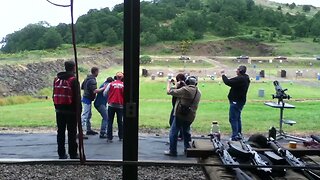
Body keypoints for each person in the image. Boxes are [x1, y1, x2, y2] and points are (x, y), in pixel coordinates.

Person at [164, 75, 201, 156]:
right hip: (190, 116)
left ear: (187, 82)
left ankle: (172, 151)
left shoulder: (185, 89)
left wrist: (169, 83)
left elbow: (169, 91)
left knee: (173, 132)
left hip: (180, 115)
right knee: (186, 132)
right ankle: (187, 149)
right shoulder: (198, 92)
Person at [52, 60, 80, 159]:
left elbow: (53, 95)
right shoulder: (73, 80)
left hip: (59, 110)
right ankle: (73, 153)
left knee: (60, 132)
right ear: (74, 67)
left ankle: (61, 153)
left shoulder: (56, 79)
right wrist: (78, 111)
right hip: (71, 110)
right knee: (72, 132)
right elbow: (77, 97)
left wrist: (57, 107)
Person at [221, 65, 250, 141]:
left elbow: (227, 82)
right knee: (237, 118)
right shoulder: (245, 78)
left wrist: (223, 74)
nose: (236, 71)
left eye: (237, 70)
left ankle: (235, 136)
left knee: (233, 118)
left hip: (236, 101)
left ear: (240, 71)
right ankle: (238, 134)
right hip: (240, 101)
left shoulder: (240, 79)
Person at [81, 67, 104, 137]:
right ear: (95, 72)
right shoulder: (92, 80)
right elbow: (95, 91)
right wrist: (104, 88)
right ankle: (81, 132)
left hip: (86, 97)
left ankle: (88, 130)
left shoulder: (87, 78)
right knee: (85, 115)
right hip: (87, 99)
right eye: (98, 72)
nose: (98, 73)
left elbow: (82, 87)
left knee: (88, 115)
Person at [103, 72, 124, 142]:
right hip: (120, 105)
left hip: (111, 105)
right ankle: (121, 136)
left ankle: (109, 137)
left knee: (110, 121)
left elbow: (105, 93)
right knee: (120, 122)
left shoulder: (110, 84)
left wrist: (109, 98)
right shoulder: (123, 85)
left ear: (116, 76)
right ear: (122, 77)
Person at [168, 73, 186, 141]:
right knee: (177, 122)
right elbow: (176, 87)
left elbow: (172, 90)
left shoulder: (182, 88)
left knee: (173, 122)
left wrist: (169, 83)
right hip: (176, 106)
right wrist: (174, 83)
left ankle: (178, 136)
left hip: (177, 107)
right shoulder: (183, 86)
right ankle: (181, 135)